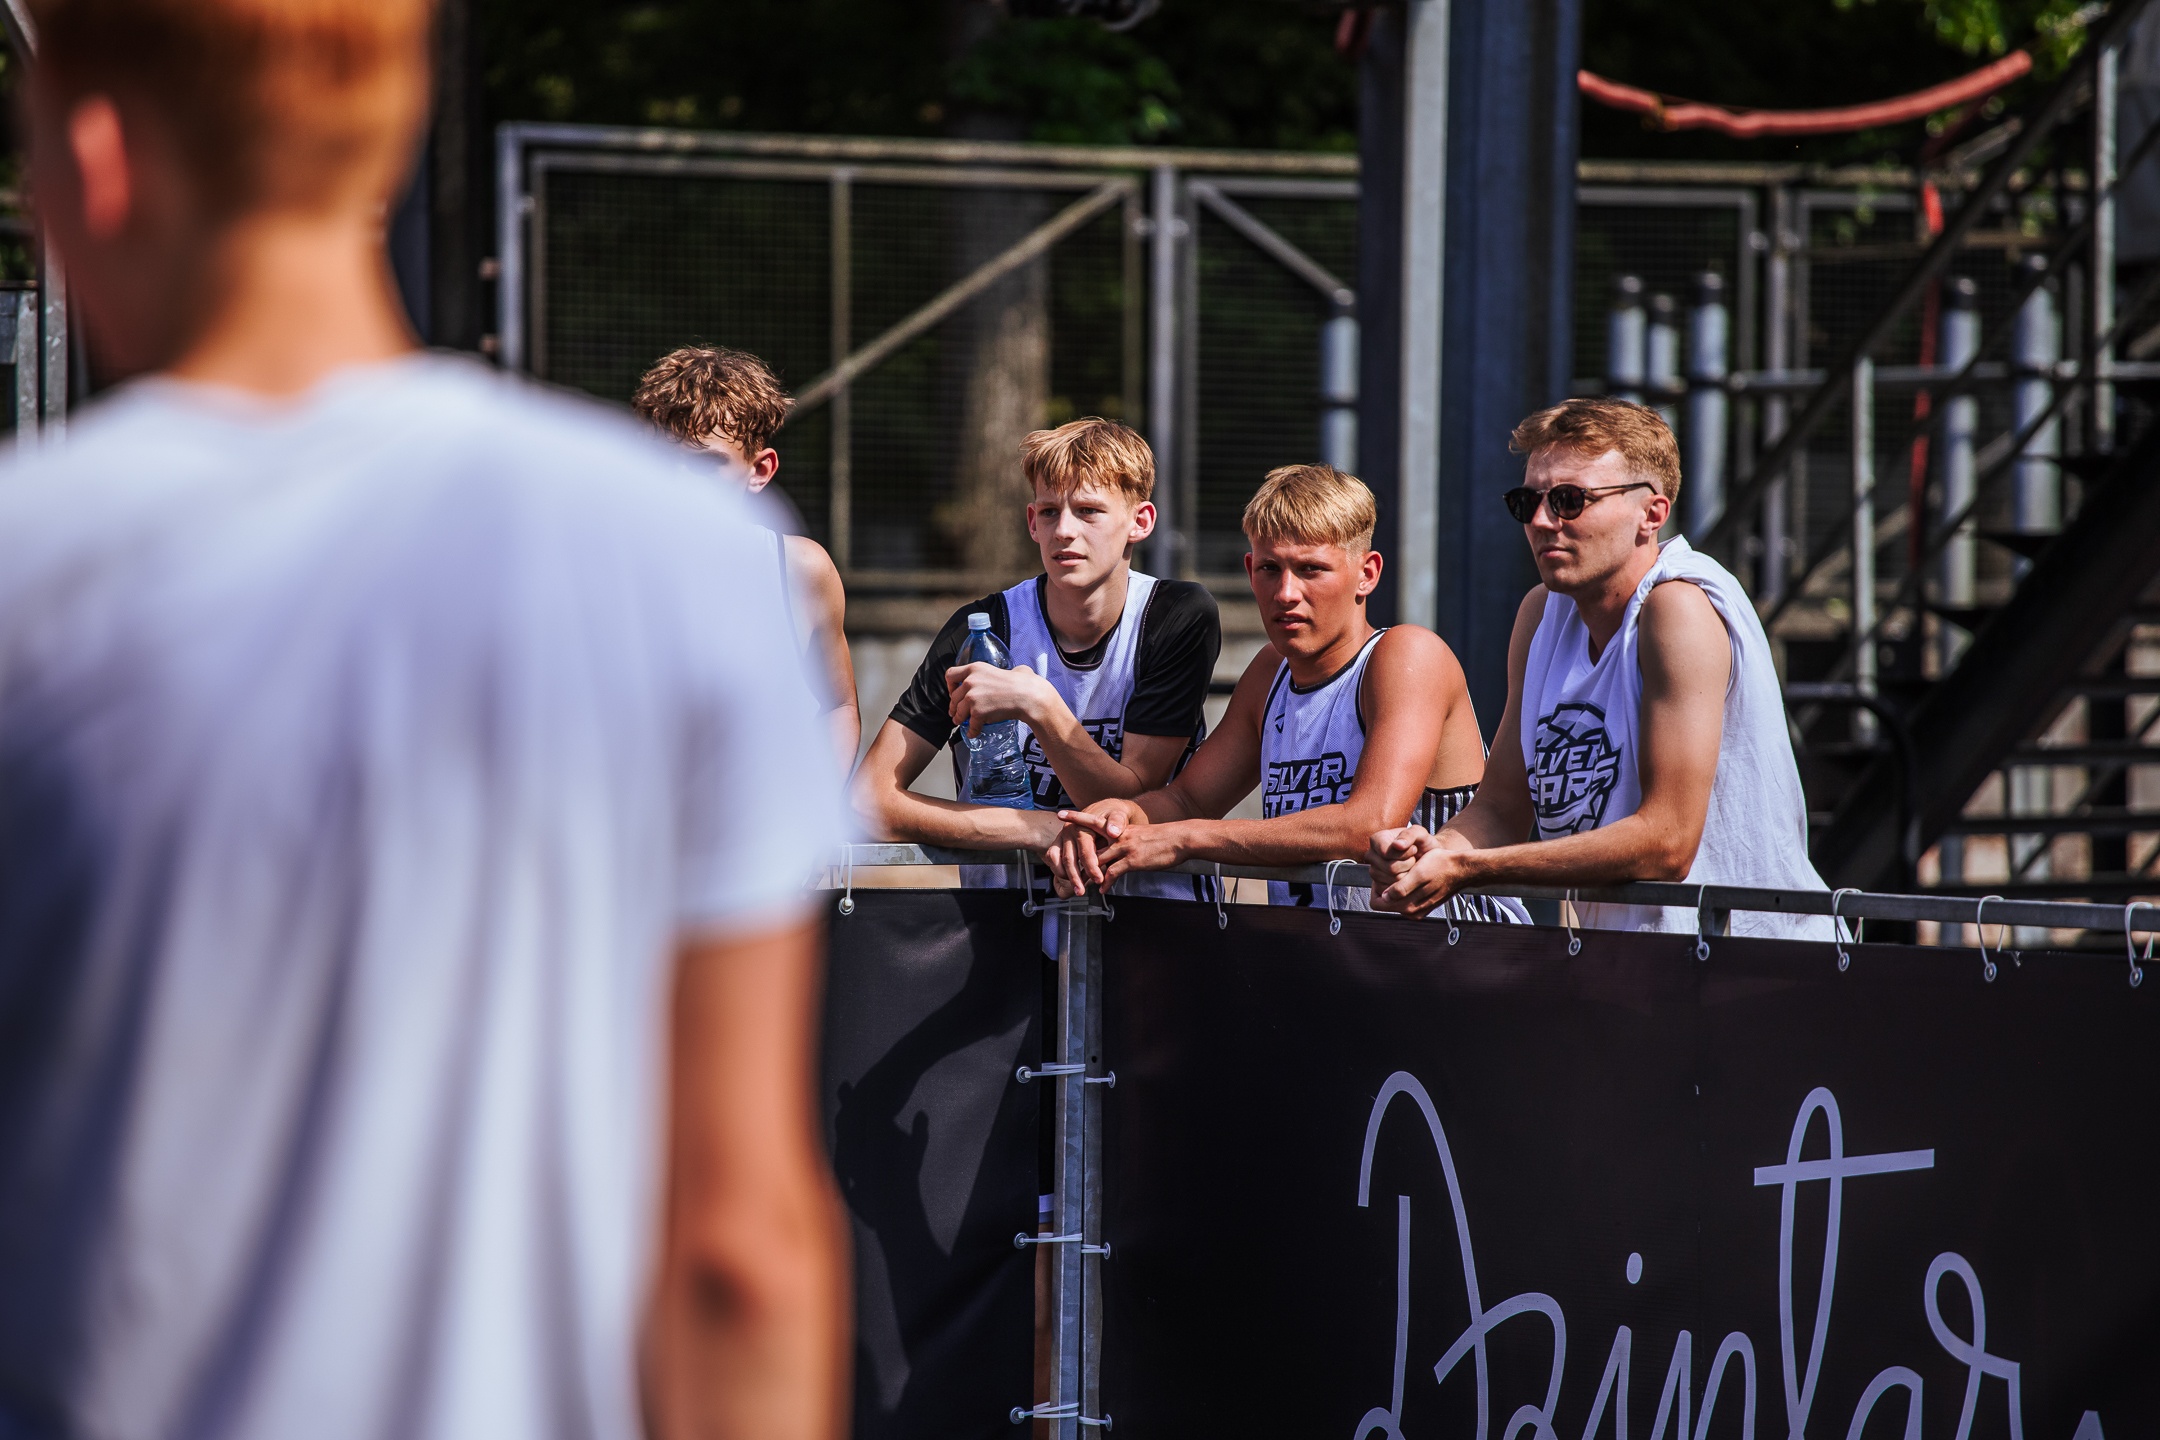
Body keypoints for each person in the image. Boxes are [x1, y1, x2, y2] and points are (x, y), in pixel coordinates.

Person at [0, 3, 847, 1438]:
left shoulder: (30, 567)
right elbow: (738, 1248)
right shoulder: (687, 566)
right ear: (384, 148)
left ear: (94, 159)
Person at [1366, 398, 1835, 940]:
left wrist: (1469, 868)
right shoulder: (1540, 614)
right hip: (1632, 963)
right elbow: (1500, 807)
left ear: (1651, 514)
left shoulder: (1676, 608)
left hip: (1756, 963)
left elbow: (1667, 843)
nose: (1542, 521)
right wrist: (1434, 848)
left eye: (1570, 500)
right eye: (1527, 501)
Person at [1047, 464, 1520, 924]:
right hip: (1325, 956)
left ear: (1367, 573)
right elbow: (1188, 801)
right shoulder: (1270, 670)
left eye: (1311, 569)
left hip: (1457, 951)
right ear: (1249, 569)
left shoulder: (1407, 655)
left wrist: (1186, 839)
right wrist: (1122, 815)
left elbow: (1368, 825)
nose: (1286, 592)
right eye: (1270, 568)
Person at [851, 417, 1220, 898]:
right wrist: (1034, 829)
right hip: (1006, 920)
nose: (1064, 530)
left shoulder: (1176, 615)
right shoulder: (982, 630)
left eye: (1088, 511)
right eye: (1049, 512)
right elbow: (869, 800)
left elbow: (1128, 805)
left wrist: (1039, 706)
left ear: (1140, 522)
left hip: (1150, 917)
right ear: (1031, 522)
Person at [636, 345, 861, 772]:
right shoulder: (600, 573)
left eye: (706, 464)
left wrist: (813, 803)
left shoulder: (801, 571)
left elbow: (839, 706)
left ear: (759, 471)